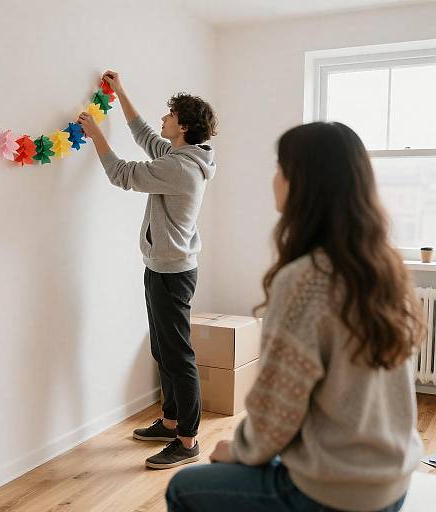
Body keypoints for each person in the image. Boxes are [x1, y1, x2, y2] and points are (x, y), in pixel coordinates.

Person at [166, 121, 423, 511]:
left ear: (302, 182)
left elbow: (276, 412)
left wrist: (237, 449)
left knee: (184, 486)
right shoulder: (384, 268)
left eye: (279, 167)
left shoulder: (306, 280)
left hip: (340, 491)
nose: (274, 178)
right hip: (393, 479)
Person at [78, 70, 217, 469]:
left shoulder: (180, 168)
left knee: (178, 356)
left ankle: (187, 441)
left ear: (184, 126)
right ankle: (171, 421)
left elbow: (121, 173)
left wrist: (95, 135)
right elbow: (144, 135)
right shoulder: (180, 156)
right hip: (163, 266)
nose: (164, 119)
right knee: (163, 349)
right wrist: (120, 91)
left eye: (170, 115)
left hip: (172, 273)